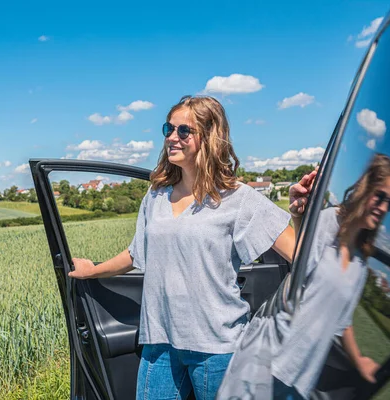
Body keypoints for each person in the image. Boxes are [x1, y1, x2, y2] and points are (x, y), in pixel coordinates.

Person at [70, 95, 295, 400]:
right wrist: (93, 270)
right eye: (168, 129)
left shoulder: (237, 199)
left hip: (217, 347)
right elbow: (136, 254)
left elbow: (299, 254)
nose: (171, 138)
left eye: (183, 131)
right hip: (160, 342)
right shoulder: (156, 197)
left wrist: (301, 214)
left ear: (209, 137)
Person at [273, 153, 390, 399]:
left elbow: (343, 322)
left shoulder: (361, 260)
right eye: (380, 196)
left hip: (306, 378)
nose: (384, 207)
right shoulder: (329, 221)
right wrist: (300, 217)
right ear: (366, 188)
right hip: (279, 360)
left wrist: (360, 360)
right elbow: (301, 264)